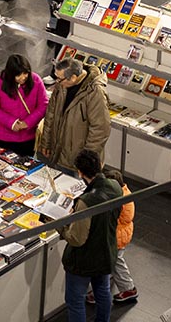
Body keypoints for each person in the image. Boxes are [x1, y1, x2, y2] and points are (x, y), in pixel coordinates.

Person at [60, 149, 121, 322]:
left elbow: (77, 239)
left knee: (75, 301)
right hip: (106, 251)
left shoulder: (86, 202)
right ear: (100, 164)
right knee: (103, 292)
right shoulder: (115, 186)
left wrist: (60, 225)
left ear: (80, 172)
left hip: (84, 261)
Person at [37, 58, 112, 174]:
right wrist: (46, 142)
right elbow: (50, 114)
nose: (57, 82)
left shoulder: (95, 92)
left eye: (60, 79)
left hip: (77, 162)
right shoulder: (61, 85)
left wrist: (86, 160)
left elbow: (100, 129)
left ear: (73, 77)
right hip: (58, 154)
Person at [0, 53, 48, 158]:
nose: (23, 77)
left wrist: (27, 122)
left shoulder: (36, 80)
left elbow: (44, 105)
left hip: (29, 136)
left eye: (25, 73)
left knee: (27, 162)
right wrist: (12, 122)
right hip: (5, 137)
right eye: (18, 75)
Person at [104, 168, 137, 304]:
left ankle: (128, 289)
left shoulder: (119, 199)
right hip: (121, 234)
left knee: (115, 262)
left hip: (117, 236)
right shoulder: (125, 193)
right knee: (114, 261)